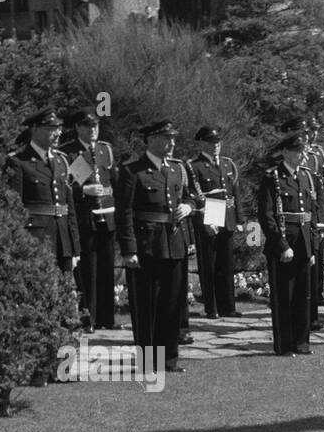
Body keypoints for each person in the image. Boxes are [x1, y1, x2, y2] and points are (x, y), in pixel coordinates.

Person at [116, 119, 195, 374]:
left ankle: (169, 359)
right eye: (165, 138)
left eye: (173, 138)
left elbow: (189, 196)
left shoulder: (176, 169)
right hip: (147, 245)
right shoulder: (132, 171)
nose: (171, 143)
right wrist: (129, 250)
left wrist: (189, 207)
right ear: (150, 140)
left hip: (173, 243)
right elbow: (125, 212)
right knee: (146, 305)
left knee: (172, 304)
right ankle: (147, 362)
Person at [257, 128, 318, 357]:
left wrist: (312, 246)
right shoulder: (272, 177)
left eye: (302, 150)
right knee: (284, 296)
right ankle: (284, 344)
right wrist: (281, 244)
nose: (301, 154)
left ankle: (302, 342)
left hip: (303, 242)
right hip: (284, 243)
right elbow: (267, 215)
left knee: (304, 295)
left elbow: (312, 214)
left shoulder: (306, 176)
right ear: (285, 152)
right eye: (296, 150)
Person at [58, 109, 117, 333]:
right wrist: (84, 190)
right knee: (87, 271)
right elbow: (68, 187)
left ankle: (106, 317)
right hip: (86, 217)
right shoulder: (70, 153)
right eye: (88, 126)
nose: (92, 130)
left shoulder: (105, 150)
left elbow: (113, 181)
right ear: (78, 128)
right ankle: (88, 318)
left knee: (106, 268)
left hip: (107, 214)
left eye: (95, 126)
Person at [5, 108, 80, 275]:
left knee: (64, 292)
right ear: (35, 130)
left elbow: (69, 208)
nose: (57, 134)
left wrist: (75, 247)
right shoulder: (18, 162)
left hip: (63, 240)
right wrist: (18, 244)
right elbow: (13, 208)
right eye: (51, 129)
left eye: (59, 129)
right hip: (35, 239)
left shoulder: (61, 161)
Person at [184, 125, 245, 321]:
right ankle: (212, 307)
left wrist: (240, 219)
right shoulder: (194, 166)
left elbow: (235, 194)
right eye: (211, 142)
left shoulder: (228, 164)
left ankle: (229, 306)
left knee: (226, 265)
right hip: (208, 215)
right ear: (202, 143)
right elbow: (194, 195)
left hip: (226, 216)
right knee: (209, 265)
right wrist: (206, 220)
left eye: (218, 142)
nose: (215, 145)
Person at [302, 116, 324, 324]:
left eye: (315, 130)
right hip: (305, 211)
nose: (314, 134)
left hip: (318, 210)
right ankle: (309, 298)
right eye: (310, 130)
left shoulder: (318, 153)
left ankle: (318, 293)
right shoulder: (304, 156)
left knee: (319, 256)